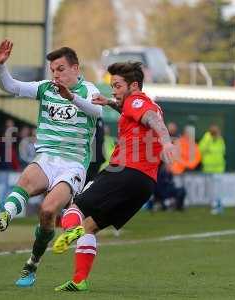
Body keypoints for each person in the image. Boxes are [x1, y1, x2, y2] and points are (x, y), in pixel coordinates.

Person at [51, 62, 176, 292]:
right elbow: (136, 113)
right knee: (90, 227)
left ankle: (71, 231)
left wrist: (167, 141)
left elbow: (152, 121)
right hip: (145, 184)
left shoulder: (138, 102)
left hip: (124, 171)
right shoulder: (143, 104)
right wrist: (109, 103)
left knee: (74, 210)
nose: (114, 90)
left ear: (134, 85)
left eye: (117, 86)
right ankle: (79, 280)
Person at [0, 39, 102, 287]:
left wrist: (70, 97)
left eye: (60, 69)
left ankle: (32, 264)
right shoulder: (45, 88)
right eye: (53, 70)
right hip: (47, 157)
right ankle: (5, 215)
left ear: (75, 69)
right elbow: (10, 86)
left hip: (73, 164)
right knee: (28, 179)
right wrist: (0, 66)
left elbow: (97, 112)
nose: (55, 74)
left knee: (48, 211)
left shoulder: (89, 90)